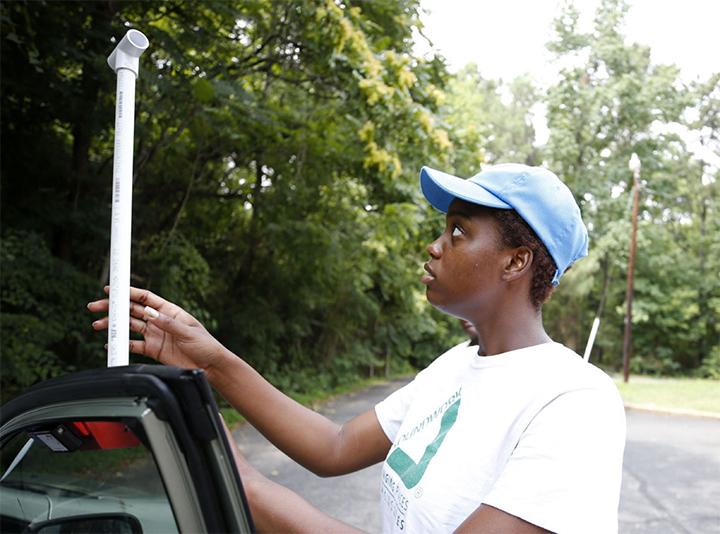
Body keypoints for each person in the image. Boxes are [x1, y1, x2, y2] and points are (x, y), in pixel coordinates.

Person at [88, 163, 626, 533]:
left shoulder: (574, 402)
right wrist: (209, 361)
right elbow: (336, 445)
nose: (435, 245)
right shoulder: (454, 368)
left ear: (516, 262)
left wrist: (244, 492)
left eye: (459, 231)